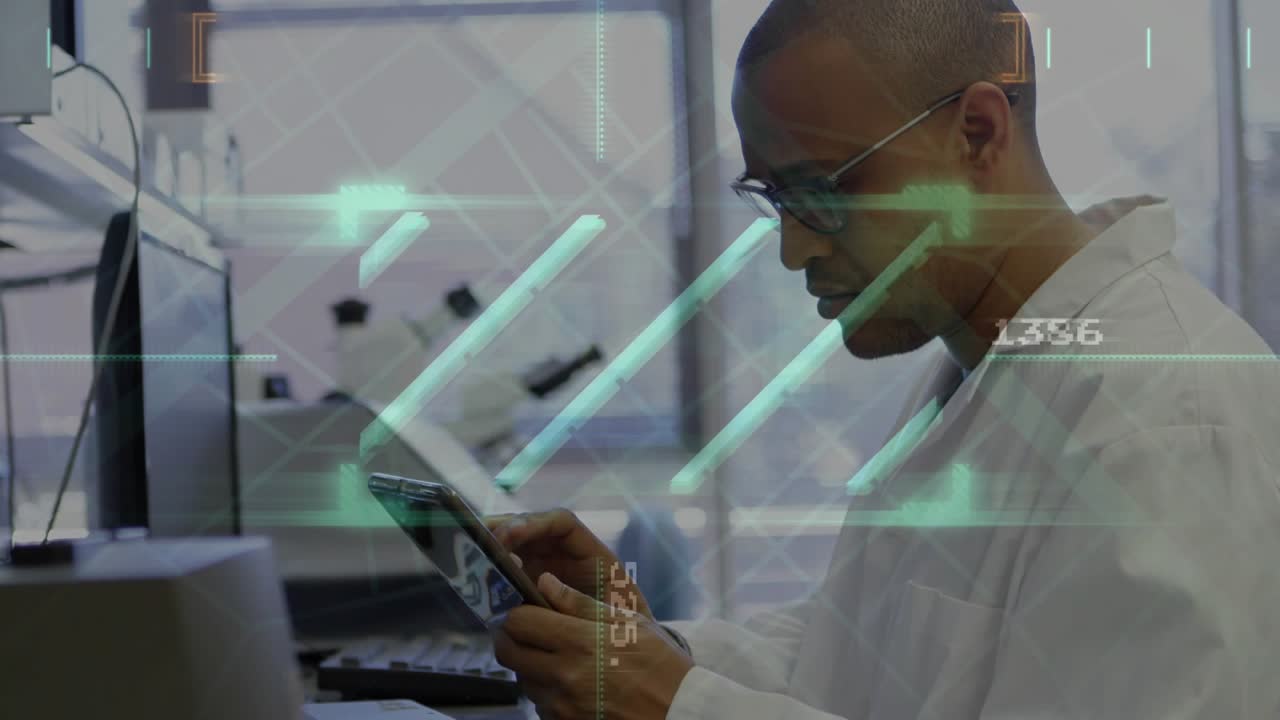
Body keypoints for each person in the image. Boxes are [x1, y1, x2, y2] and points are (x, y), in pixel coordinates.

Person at [486, 1, 1280, 718]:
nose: (795, 249)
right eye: (776, 200)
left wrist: (679, 711)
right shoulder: (995, 365)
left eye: (823, 192)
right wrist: (650, 649)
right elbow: (862, 661)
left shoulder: (1166, 421)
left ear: (977, 132)